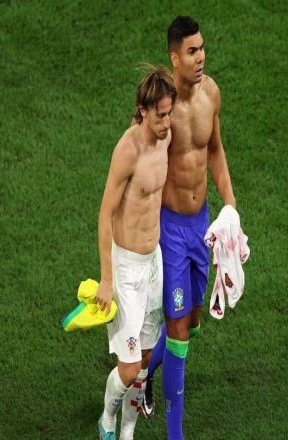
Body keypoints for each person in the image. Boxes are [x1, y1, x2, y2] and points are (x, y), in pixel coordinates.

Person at [142, 16, 236, 440]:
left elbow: (215, 151)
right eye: (192, 51)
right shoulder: (163, 112)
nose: (201, 58)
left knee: (192, 322)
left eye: (202, 49)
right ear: (174, 58)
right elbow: (141, 165)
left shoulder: (211, 93)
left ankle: (145, 371)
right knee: (178, 329)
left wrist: (230, 206)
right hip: (171, 231)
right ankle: (174, 434)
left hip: (201, 226)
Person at [96, 64, 176, 440]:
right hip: (126, 269)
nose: (166, 123)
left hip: (153, 262)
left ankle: (127, 431)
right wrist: (107, 279)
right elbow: (104, 215)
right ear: (143, 110)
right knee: (128, 369)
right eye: (160, 115)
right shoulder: (127, 151)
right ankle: (107, 419)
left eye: (169, 114)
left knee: (144, 360)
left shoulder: (167, 136)